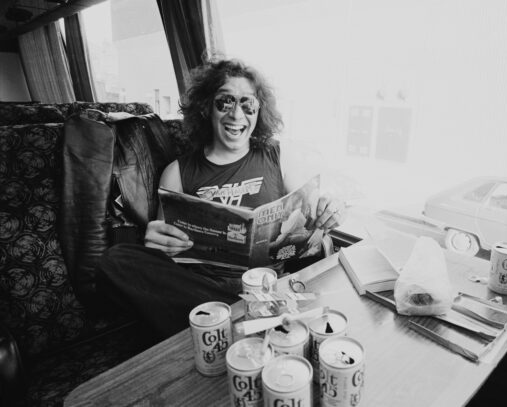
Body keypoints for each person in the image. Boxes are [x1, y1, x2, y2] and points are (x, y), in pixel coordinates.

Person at [96, 58, 344, 341]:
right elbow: (167, 251)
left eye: (248, 104)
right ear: (205, 107)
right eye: (225, 102)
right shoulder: (176, 173)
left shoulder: (278, 157)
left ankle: (230, 326)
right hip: (201, 294)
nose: (237, 115)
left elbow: (312, 214)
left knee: (326, 247)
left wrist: (329, 210)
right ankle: (242, 321)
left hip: (268, 289)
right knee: (115, 261)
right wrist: (157, 244)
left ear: (258, 110)